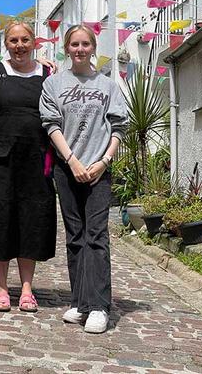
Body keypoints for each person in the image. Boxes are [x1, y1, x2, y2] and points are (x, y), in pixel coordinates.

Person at [39, 25, 128, 333]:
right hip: (68, 168)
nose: (79, 49)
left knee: (97, 236)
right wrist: (72, 161)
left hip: (99, 170)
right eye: (74, 44)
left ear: (93, 47)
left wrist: (104, 161)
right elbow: (51, 125)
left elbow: (118, 127)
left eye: (85, 44)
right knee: (75, 235)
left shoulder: (108, 85)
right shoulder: (53, 84)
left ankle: (100, 306)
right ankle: (79, 302)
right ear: (67, 48)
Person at [0, 21, 57, 313]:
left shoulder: (48, 74)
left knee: (30, 219)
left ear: (34, 43)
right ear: (5, 45)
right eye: (13, 41)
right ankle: (1, 289)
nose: (19, 45)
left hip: (36, 157)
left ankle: (27, 290)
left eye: (24, 40)